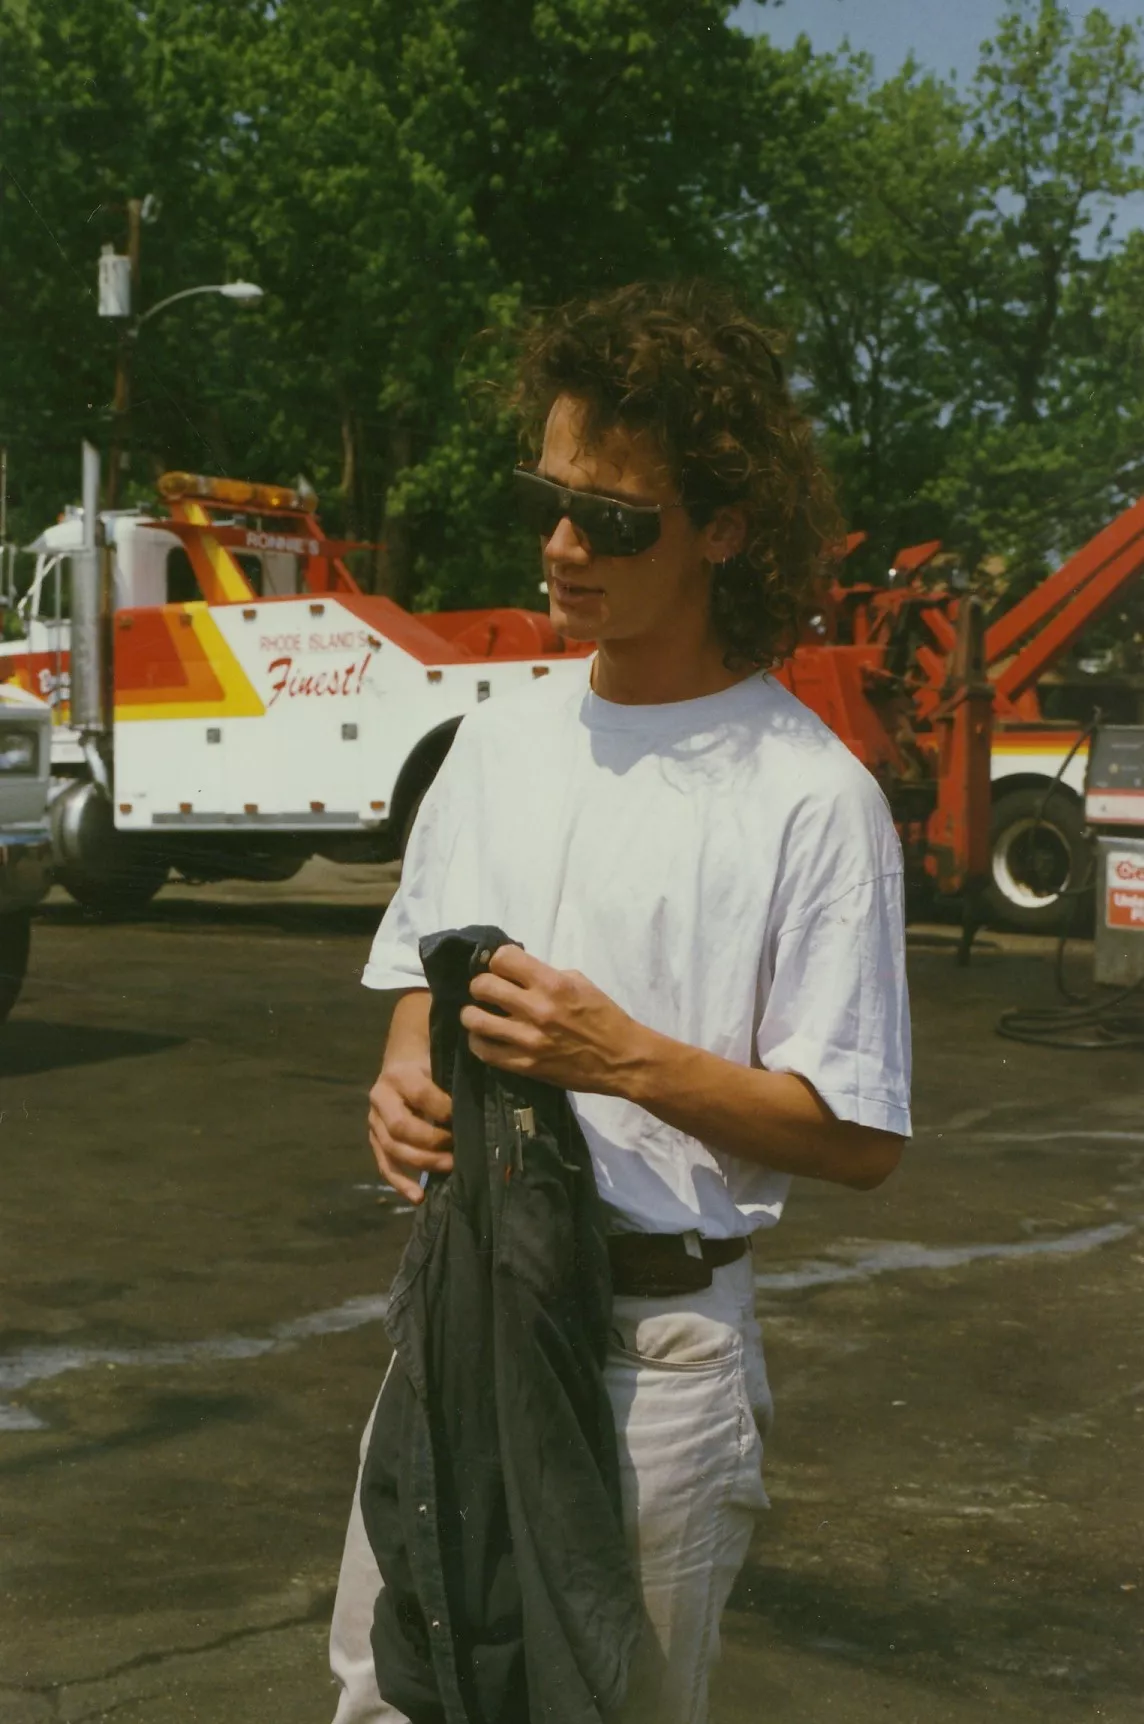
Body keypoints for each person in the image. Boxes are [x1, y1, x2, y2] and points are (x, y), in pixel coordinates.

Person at [330, 279, 911, 1724]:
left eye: (615, 518)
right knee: (388, 1695)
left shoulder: (809, 796)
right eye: (552, 501)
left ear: (725, 529)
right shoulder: (492, 746)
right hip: (461, 1307)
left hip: (652, 1353)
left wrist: (626, 1059)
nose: (564, 546)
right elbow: (417, 987)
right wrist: (402, 1084)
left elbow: (857, 1138)